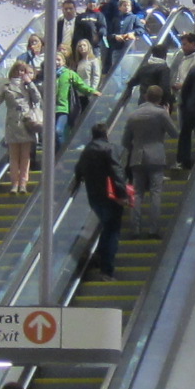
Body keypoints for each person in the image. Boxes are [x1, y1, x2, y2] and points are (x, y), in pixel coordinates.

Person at [72, 120, 126, 280]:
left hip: (93, 197)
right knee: (112, 231)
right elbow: (117, 172)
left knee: (107, 227)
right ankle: (106, 269)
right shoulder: (109, 149)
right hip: (110, 197)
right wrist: (122, 195)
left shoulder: (87, 150)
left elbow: (78, 170)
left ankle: (98, 255)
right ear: (106, 134)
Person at [120, 82, 174, 233]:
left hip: (137, 157)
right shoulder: (161, 113)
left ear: (145, 96)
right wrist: (167, 114)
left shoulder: (133, 114)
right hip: (156, 156)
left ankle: (135, 229)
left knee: (137, 193)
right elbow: (174, 133)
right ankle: (153, 230)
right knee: (156, 193)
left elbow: (125, 141)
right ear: (160, 98)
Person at [1, 61, 41, 195]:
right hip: (13, 123)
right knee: (13, 156)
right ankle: (14, 184)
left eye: (23, 70)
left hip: (26, 122)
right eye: (18, 70)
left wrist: (30, 83)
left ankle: (23, 184)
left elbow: (37, 98)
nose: (20, 73)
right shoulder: (6, 86)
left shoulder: (28, 86)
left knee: (25, 156)